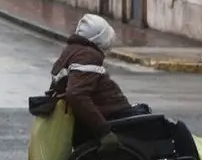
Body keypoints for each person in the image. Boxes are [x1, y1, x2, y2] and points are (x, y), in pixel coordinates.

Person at [49, 14, 148, 150]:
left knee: (145, 112)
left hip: (106, 116)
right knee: (167, 127)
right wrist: (104, 132)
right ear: (100, 38)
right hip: (113, 119)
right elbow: (76, 94)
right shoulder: (87, 55)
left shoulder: (72, 51)